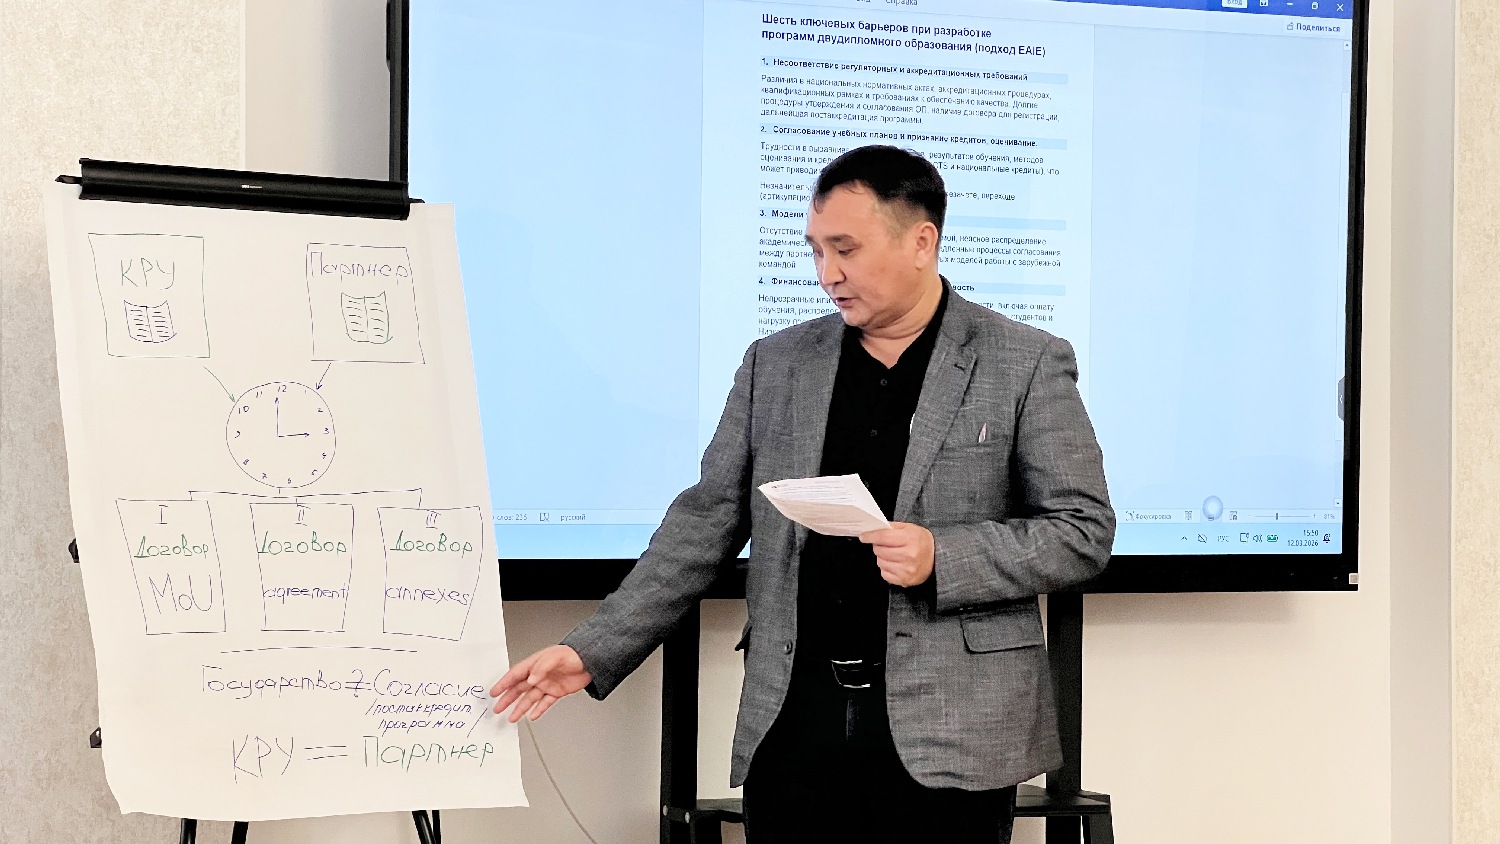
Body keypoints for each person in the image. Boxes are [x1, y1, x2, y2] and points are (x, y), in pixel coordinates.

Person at [490, 145, 1115, 843]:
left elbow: (1082, 530)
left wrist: (944, 555)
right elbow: (704, 524)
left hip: (953, 732)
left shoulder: (1024, 361)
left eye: (845, 249)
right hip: (795, 723)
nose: (827, 273)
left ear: (921, 241)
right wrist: (592, 650)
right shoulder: (777, 363)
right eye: (816, 250)